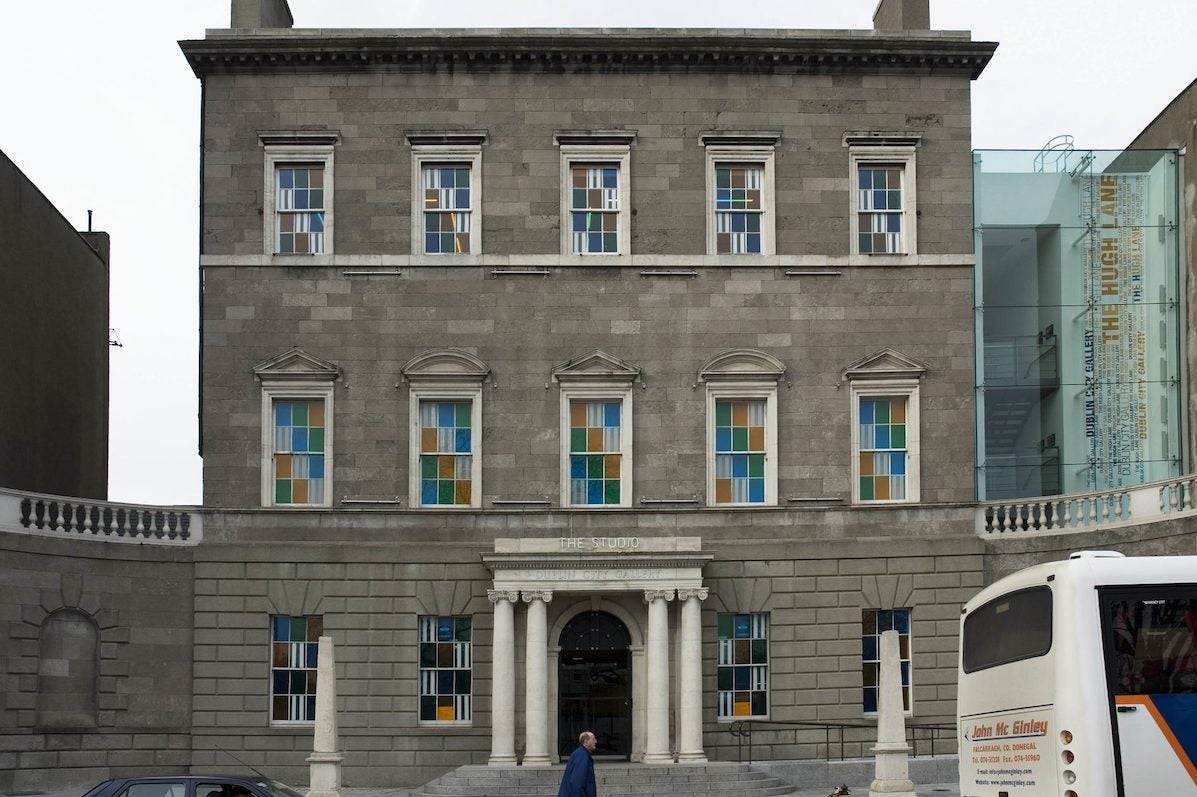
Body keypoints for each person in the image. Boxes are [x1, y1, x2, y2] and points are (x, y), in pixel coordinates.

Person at [557, 730, 597, 797]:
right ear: (586, 742)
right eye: (593, 739)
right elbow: (577, 782)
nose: (595, 741)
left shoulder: (581, 754)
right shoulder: (582, 756)